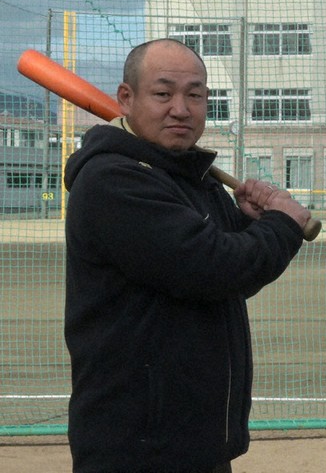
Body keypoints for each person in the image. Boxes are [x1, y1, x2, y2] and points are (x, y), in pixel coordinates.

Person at [63, 38, 311, 473]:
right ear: (127, 99)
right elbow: (217, 268)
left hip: (193, 439)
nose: (180, 108)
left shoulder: (191, 178)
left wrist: (252, 221)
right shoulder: (113, 181)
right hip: (137, 446)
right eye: (163, 93)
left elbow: (233, 267)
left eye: (194, 94)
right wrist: (284, 225)